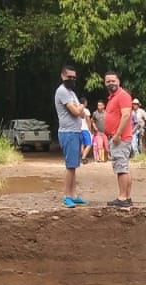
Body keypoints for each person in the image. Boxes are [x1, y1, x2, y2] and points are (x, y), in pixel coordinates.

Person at [53, 63, 89, 207]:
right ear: (62, 76)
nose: (72, 79)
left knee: (74, 166)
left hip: (76, 131)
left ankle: (73, 195)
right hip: (68, 132)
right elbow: (76, 112)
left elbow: (81, 114)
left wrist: (79, 108)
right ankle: (67, 196)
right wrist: (81, 106)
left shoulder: (71, 93)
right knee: (70, 166)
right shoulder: (62, 91)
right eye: (69, 77)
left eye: (74, 77)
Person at [102, 71, 134, 207]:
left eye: (113, 81)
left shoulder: (123, 95)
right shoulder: (112, 98)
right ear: (105, 83)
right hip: (117, 137)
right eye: (108, 81)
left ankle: (122, 198)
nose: (111, 83)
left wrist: (117, 134)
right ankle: (127, 196)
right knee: (123, 167)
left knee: (121, 168)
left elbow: (126, 115)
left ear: (118, 81)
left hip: (120, 138)